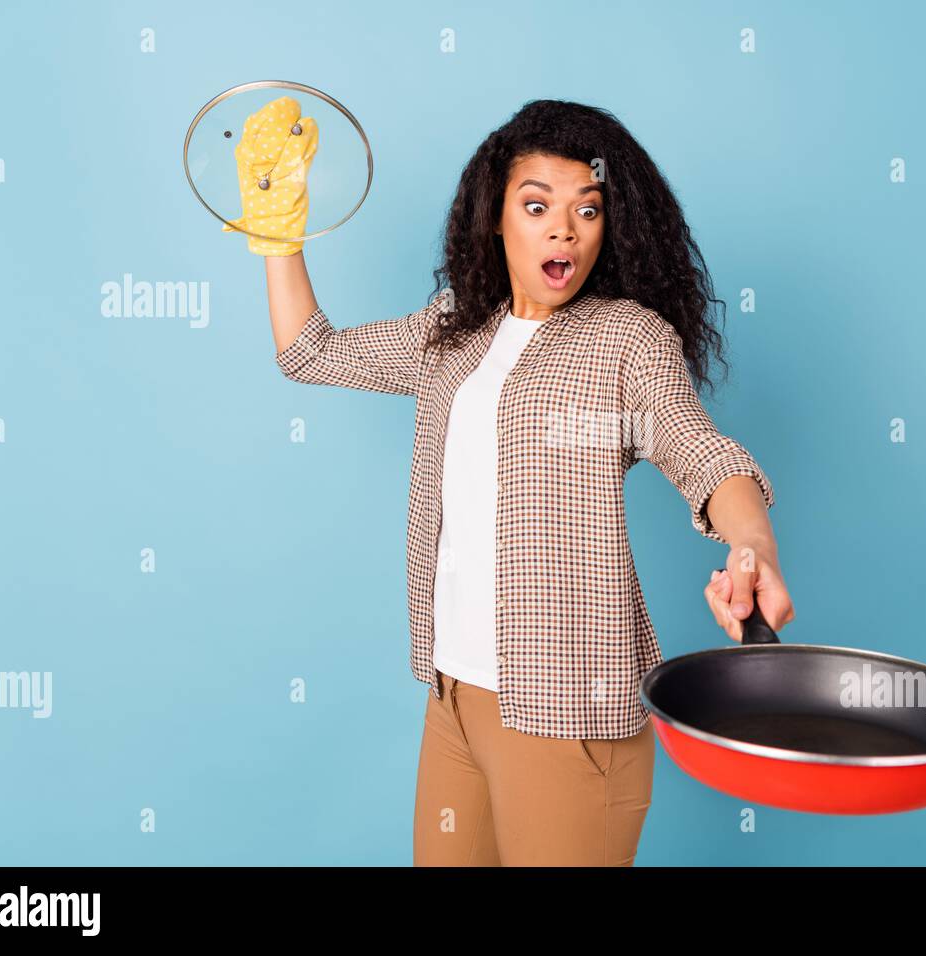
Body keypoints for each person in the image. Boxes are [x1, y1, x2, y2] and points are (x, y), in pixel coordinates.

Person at [231, 97, 796, 866]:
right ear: (495, 217)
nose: (562, 228)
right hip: (454, 700)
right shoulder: (453, 329)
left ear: (610, 226)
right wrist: (277, 231)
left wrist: (752, 545)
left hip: (570, 714)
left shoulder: (627, 340)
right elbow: (310, 352)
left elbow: (702, 453)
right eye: (536, 206)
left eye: (586, 210)